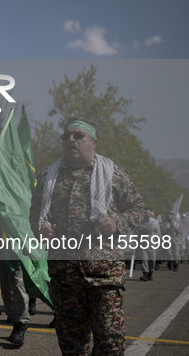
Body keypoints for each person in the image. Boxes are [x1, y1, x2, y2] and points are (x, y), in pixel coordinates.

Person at [30, 118, 144, 355]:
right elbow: (34, 214)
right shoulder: (48, 176)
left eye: (78, 136)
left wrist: (117, 223)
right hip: (64, 275)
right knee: (72, 344)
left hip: (103, 275)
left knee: (110, 342)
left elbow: (138, 208)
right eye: (67, 136)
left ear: (94, 142)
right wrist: (40, 229)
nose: (71, 140)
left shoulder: (113, 174)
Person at [137, 208, 161, 281]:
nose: (145, 214)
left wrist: (140, 226)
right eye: (144, 213)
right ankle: (145, 274)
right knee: (144, 259)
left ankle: (150, 273)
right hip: (143, 244)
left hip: (152, 243)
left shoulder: (154, 222)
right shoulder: (141, 221)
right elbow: (137, 232)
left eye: (147, 213)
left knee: (152, 260)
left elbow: (151, 229)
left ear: (150, 214)